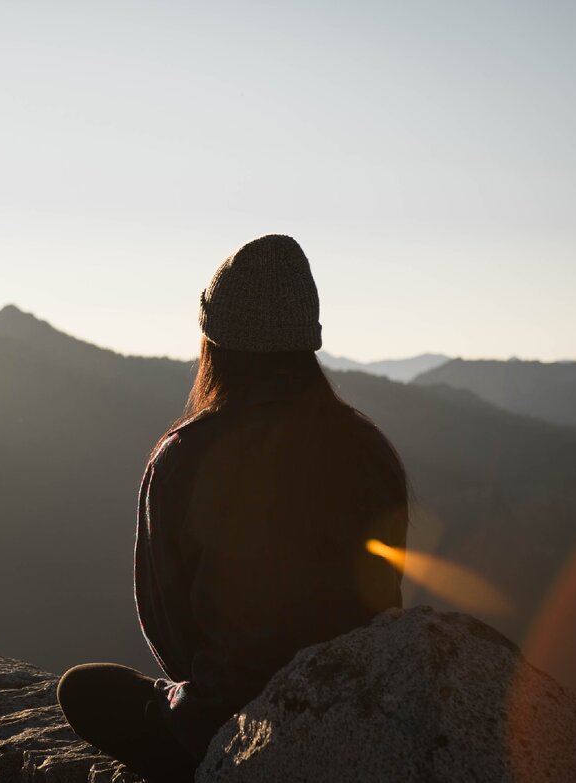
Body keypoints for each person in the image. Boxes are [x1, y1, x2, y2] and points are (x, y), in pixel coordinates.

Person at [56, 234, 409, 781]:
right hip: (354, 707)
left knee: (85, 689)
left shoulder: (185, 455)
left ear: (215, 341)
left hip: (229, 722)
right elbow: (385, 598)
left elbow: (166, 620)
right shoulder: (368, 451)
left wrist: (203, 695)